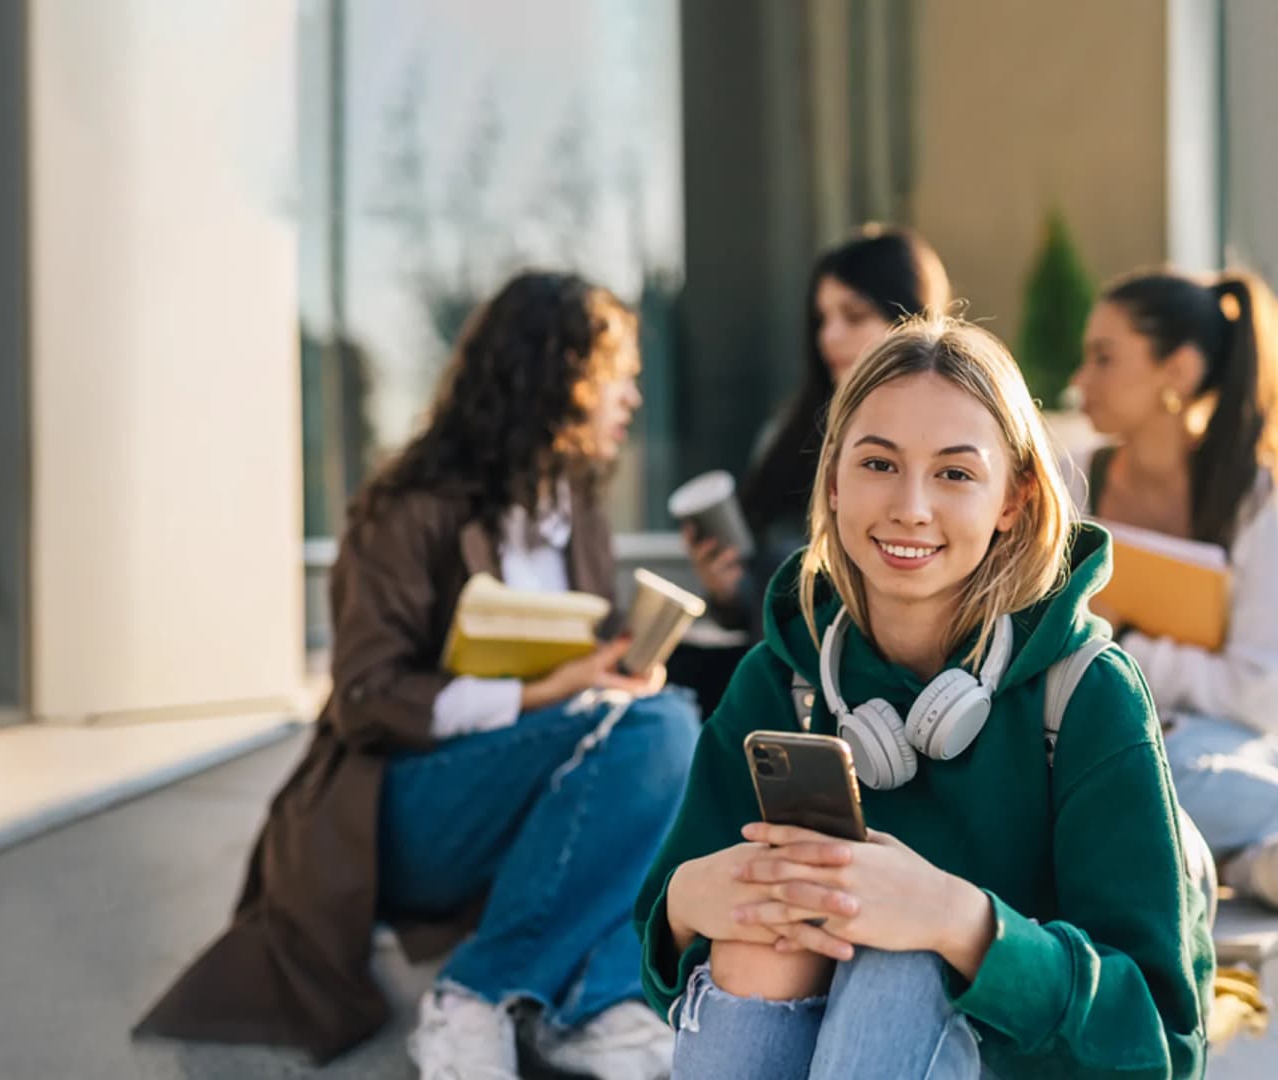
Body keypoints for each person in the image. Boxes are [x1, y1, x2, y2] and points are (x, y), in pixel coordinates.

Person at [136, 271, 700, 1079]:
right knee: (664, 726)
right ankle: (473, 996)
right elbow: (364, 697)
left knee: (665, 732)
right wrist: (542, 693)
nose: (632, 397)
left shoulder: (577, 513)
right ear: (557, 375)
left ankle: (589, 1005)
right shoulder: (410, 507)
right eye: (618, 374)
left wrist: (609, 678)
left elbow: (591, 686)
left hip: (539, 793)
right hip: (407, 810)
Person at [632, 315, 1211, 1078]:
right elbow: (663, 972)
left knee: (901, 961)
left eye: (955, 474)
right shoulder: (780, 680)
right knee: (757, 941)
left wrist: (960, 925)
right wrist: (685, 905)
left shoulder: (1088, 694)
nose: (910, 506)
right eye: (878, 464)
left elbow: (1163, 1041)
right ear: (833, 481)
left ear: (1013, 498)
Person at [672, 226, 951, 715]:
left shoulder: (959, 430)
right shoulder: (788, 434)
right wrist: (729, 590)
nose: (830, 336)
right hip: (783, 679)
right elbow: (771, 595)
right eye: (822, 319)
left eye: (854, 316)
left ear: (912, 317)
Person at [1070, 268, 1278, 906]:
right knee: (1109, 770)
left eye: (1104, 358)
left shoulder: (1258, 501)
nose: (1080, 381)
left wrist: (1128, 643)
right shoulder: (1070, 481)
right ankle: (1249, 859)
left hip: (1215, 743)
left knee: (1160, 773)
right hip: (1093, 727)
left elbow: (1258, 693)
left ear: (1179, 372)